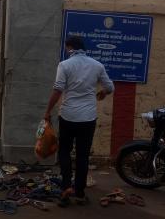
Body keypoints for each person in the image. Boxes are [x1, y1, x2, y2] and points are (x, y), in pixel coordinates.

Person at [43, 35, 114, 205]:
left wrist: (47, 111)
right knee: (83, 155)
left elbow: (58, 90)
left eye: (66, 47)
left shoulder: (65, 65)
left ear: (69, 47)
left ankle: (66, 187)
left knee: (64, 152)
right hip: (88, 118)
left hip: (68, 116)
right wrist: (103, 93)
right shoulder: (97, 65)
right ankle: (80, 192)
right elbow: (110, 87)